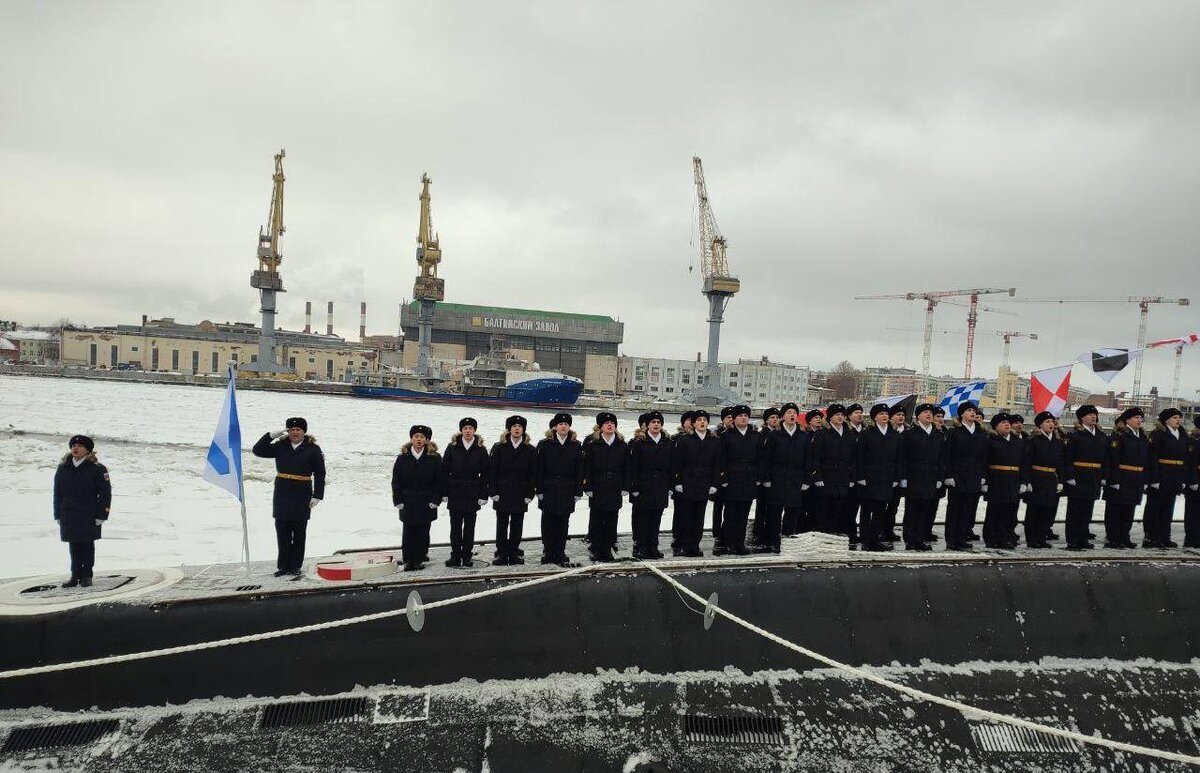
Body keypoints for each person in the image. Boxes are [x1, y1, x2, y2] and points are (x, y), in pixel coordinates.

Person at [252, 417, 326, 578]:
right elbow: (257, 450)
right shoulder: (280, 446)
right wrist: (270, 436)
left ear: (304, 431)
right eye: (291, 430)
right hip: (282, 493)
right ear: (287, 431)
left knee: (299, 533)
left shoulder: (313, 449)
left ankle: (295, 566)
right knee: (283, 532)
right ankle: (283, 566)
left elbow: (320, 474)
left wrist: (318, 495)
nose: (295, 433)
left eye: (298, 430)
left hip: (302, 493)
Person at [53, 435, 111, 588]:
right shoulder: (63, 467)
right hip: (69, 513)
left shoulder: (97, 469)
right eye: (73, 445)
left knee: (86, 544)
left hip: (88, 514)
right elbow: (57, 492)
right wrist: (57, 514)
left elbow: (105, 494)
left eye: (79, 446)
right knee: (74, 545)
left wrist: (102, 514)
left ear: (88, 450)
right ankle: (75, 576)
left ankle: (87, 575)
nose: (75, 448)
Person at [671, 409, 722, 557]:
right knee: (687, 516)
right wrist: (677, 481)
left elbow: (717, 465)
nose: (702, 422)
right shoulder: (685, 440)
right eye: (699, 420)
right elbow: (677, 463)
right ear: (693, 424)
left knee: (699, 516)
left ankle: (695, 545)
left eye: (705, 420)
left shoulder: (714, 441)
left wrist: (714, 484)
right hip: (687, 481)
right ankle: (686, 545)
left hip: (704, 482)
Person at [758, 403, 809, 552]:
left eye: (794, 412)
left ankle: (788, 539)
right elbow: (766, 458)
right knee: (775, 511)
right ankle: (773, 540)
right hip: (777, 477)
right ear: (783, 416)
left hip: (796, 477)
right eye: (788, 412)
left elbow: (808, 459)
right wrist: (766, 478)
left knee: (792, 511)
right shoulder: (774, 435)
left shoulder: (803, 436)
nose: (792, 415)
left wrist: (806, 480)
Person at [536, 412, 584, 566]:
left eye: (566, 424)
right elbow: (539, 469)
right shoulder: (545, 444)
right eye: (560, 424)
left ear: (569, 427)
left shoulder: (576, 445)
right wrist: (539, 490)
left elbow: (579, 470)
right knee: (548, 521)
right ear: (555, 426)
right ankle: (549, 551)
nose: (563, 426)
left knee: (563, 522)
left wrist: (578, 491)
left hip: (567, 489)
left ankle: (560, 551)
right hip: (549, 488)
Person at [441, 418, 490, 567]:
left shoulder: (481, 449)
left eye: (470, 428)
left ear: (474, 430)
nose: (468, 431)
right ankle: (455, 555)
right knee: (455, 527)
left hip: (472, 493)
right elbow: (444, 471)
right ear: (461, 430)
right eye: (465, 428)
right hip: (455, 491)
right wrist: (444, 492)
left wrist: (483, 494)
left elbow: (486, 473)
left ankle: (467, 555)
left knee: (469, 527)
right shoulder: (452, 447)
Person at [391, 425, 441, 571]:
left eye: (422, 437)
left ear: (427, 440)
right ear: (411, 439)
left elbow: (439, 481)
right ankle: (408, 559)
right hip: (408, 500)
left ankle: (419, 559)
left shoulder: (434, 458)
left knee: (423, 531)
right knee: (408, 531)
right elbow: (396, 481)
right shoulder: (402, 458)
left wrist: (435, 499)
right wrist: (398, 500)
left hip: (426, 500)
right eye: (416, 437)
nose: (419, 440)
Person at [489, 415, 536, 565]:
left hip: (520, 492)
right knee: (501, 524)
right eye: (514, 426)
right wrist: (493, 491)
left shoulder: (529, 449)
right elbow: (492, 472)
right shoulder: (499, 447)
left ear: (523, 430)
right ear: (509, 429)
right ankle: (502, 552)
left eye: (520, 426)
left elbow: (532, 474)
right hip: (502, 492)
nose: (517, 429)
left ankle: (514, 551)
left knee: (517, 523)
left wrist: (530, 493)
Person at [582, 411, 627, 562]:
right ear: (600, 427)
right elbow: (586, 468)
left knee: (612, 517)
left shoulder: (622, 445)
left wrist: (626, 486)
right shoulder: (593, 445)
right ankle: (596, 547)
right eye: (607, 423)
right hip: (598, 486)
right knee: (597, 517)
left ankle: (608, 546)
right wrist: (587, 486)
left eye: (612, 423)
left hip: (615, 485)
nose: (610, 425)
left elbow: (628, 467)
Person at [1103, 407, 1150, 548]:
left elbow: (1146, 461)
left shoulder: (1142, 437)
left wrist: (1145, 479)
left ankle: (1124, 536)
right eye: (1136, 417)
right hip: (1122, 477)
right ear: (1127, 420)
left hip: (1136, 478)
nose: (1139, 420)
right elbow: (1113, 459)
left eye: (1141, 418)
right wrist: (1114, 480)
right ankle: (1113, 538)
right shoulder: (1120, 436)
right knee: (1115, 510)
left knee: (1129, 510)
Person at [943, 402, 988, 551]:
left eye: (974, 411)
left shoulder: (980, 433)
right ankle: (951, 539)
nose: (972, 413)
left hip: (974, 475)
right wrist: (948, 475)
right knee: (955, 509)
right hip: (958, 475)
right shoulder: (954, 432)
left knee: (968, 509)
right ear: (962, 414)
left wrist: (982, 475)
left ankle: (962, 538)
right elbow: (947, 455)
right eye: (969, 410)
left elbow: (984, 457)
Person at [627, 410, 672, 558]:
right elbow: (632, 467)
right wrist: (633, 487)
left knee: (656, 518)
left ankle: (653, 546)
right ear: (647, 426)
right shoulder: (640, 443)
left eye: (659, 422)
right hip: (644, 485)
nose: (656, 425)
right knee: (642, 518)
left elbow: (672, 466)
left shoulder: (668, 443)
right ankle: (641, 546)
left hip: (660, 485)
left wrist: (671, 486)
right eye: (653, 422)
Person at [1062, 405, 1108, 550]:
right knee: (1075, 510)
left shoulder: (1101, 435)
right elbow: (1067, 458)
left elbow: (1105, 458)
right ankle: (1072, 539)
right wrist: (1069, 476)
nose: (1093, 417)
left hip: (1094, 477)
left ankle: (1082, 538)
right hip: (1079, 476)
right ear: (1081, 418)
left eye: (1094, 414)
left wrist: (1104, 476)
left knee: (1087, 510)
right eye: (1089, 414)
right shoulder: (1075, 435)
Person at [855, 404, 900, 551]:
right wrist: (860, 476)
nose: (885, 416)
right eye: (881, 413)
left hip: (886, 477)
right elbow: (859, 457)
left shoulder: (894, 435)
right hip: (869, 477)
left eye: (886, 413)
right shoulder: (867, 434)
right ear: (874, 417)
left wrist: (895, 477)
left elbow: (898, 458)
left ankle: (875, 538)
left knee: (881, 509)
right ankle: (866, 539)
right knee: (867, 510)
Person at [901, 404, 943, 551]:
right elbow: (903, 458)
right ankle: (909, 539)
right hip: (914, 477)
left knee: (925, 509)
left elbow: (941, 458)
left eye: (930, 412)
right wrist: (904, 477)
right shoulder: (910, 434)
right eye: (925, 412)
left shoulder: (938, 434)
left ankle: (920, 538)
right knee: (912, 510)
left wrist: (939, 478)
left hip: (930, 477)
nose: (928, 415)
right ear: (917, 416)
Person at [1145, 407, 1189, 548]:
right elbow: (1152, 458)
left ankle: (1165, 536)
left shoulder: (1182, 435)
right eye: (1175, 418)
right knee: (1155, 508)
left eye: (1179, 417)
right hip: (1161, 475)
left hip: (1175, 477)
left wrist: (1182, 479)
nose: (1178, 420)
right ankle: (1151, 536)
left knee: (1168, 508)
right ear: (1166, 420)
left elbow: (1185, 459)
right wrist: (1154, 479)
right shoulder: (1158, 435)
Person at [719, 405, 759, 555]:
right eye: (740, 415)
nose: (744, 418)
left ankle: (739, 542)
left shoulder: (755, 436)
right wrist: (723, 477)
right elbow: (721, 458)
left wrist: (758, 477)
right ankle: (729, 543)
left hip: (749, 478)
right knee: (730, 513)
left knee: (743, 514)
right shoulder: (726, 435)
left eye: (746, 415)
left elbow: (760, 458)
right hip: (732, 478)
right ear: (734, 419)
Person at [810, 404, 856, 536]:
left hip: (842, 477)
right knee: (823, 510)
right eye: (837, 415)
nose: (840, 417)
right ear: (830, 417)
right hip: (826, 477)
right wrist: (818, 476)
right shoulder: (822, 434)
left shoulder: (849, 434)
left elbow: (853, 458)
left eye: (842, 415)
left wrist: (852, 477)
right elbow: (816, 457)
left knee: (838, 509)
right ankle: (822, 535)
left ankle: (834, 536)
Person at [982, 413, 1021, 549]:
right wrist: (984, 481)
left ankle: (1004, 537)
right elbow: (984, 461)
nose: (1007, 424)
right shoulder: (991, 440)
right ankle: (991, 538)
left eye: (1008, 422)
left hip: (1013, 481)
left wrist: (1023, 481)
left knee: (1008, 512)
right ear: (996, 426)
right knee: (994, 511)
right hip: (996, 481)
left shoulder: (1017, 441)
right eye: (1003, 422)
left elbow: (1024, 463)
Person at [749, 407, 781, 548]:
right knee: (762, 506)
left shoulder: (780, 434)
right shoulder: (762, 434)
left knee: (773, 506)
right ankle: (759, 532)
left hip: (776, 476)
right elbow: (760, 457)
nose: (775, 419)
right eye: (772, 417)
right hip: (763, 476)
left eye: (776, 417)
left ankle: (771, 531)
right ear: (766, 420)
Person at [880, 406, 908, 542]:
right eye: (898, 414)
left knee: (893, 506)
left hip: (900, 475)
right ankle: (880, 530)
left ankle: (888, 530)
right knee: (882, 505)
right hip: (886, 476)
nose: (901, 417)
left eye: (903, 414)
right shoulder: (888, 432)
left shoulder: (908, 432)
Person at [1186, 415, 1200, 547]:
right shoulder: (1193, 441)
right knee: (1193, 511)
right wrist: (1193, 480)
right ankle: (1191, 538)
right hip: (1196, 479)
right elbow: (1191, 463)